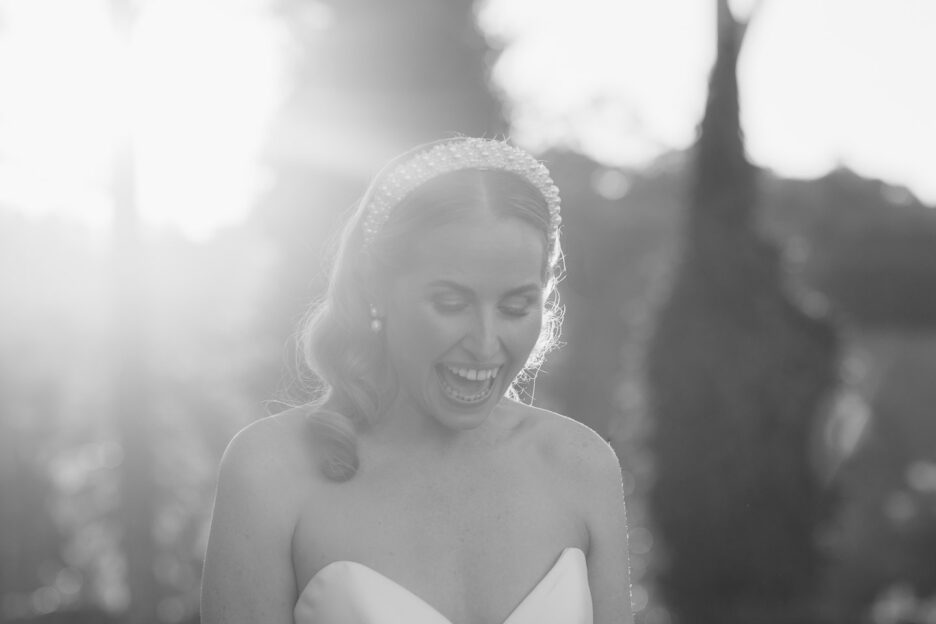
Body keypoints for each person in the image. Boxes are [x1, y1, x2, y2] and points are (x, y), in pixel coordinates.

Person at [200, 137, 633, 624]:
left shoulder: (582, 465)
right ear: (374, 288)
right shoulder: (270, 473)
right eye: (451, 303)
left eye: (515, 307)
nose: (487, 344)